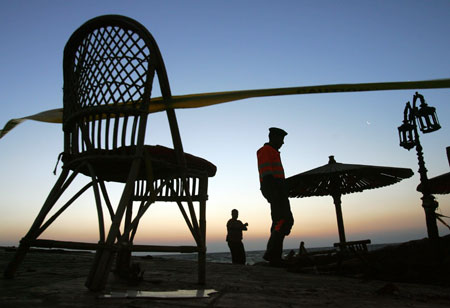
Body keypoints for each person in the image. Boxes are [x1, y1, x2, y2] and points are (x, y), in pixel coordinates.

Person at [257, 127, 294, 266]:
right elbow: (267, 174)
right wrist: (275, 190)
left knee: (281, 220)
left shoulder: (273, 152)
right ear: (273, 137)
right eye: (282, 139)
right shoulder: (265, 151)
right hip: (273, 187)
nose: (283, 143)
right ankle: (273, 254)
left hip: (277, 187)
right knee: (283, 220)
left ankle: (273, 254)